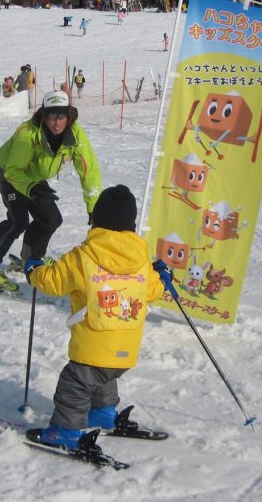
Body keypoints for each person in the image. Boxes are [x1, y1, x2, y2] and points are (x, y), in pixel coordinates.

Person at [21, 184, 164, 451]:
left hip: (93, 344)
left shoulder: (83, 256)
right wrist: (162, 276)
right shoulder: (142, 260)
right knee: (103, 376)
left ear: (96, 220)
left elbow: (53, 280)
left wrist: (33, 269)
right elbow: (154, 289)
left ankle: (66, 430)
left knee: (75, 383)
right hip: (127, 349)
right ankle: (103, 413)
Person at [0, 90, 101, 292]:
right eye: (51, 116)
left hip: (33, 176)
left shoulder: (76, 135)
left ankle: (30, 259)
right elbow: (13, 172)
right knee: (18, 220)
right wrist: (31, 189)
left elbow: (89, 170)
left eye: (61, 116)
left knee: (51, 219)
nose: (56, 122)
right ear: (43, 115)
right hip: (9, 171)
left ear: (69, 117)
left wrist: (93, 206)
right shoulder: (28, 133)